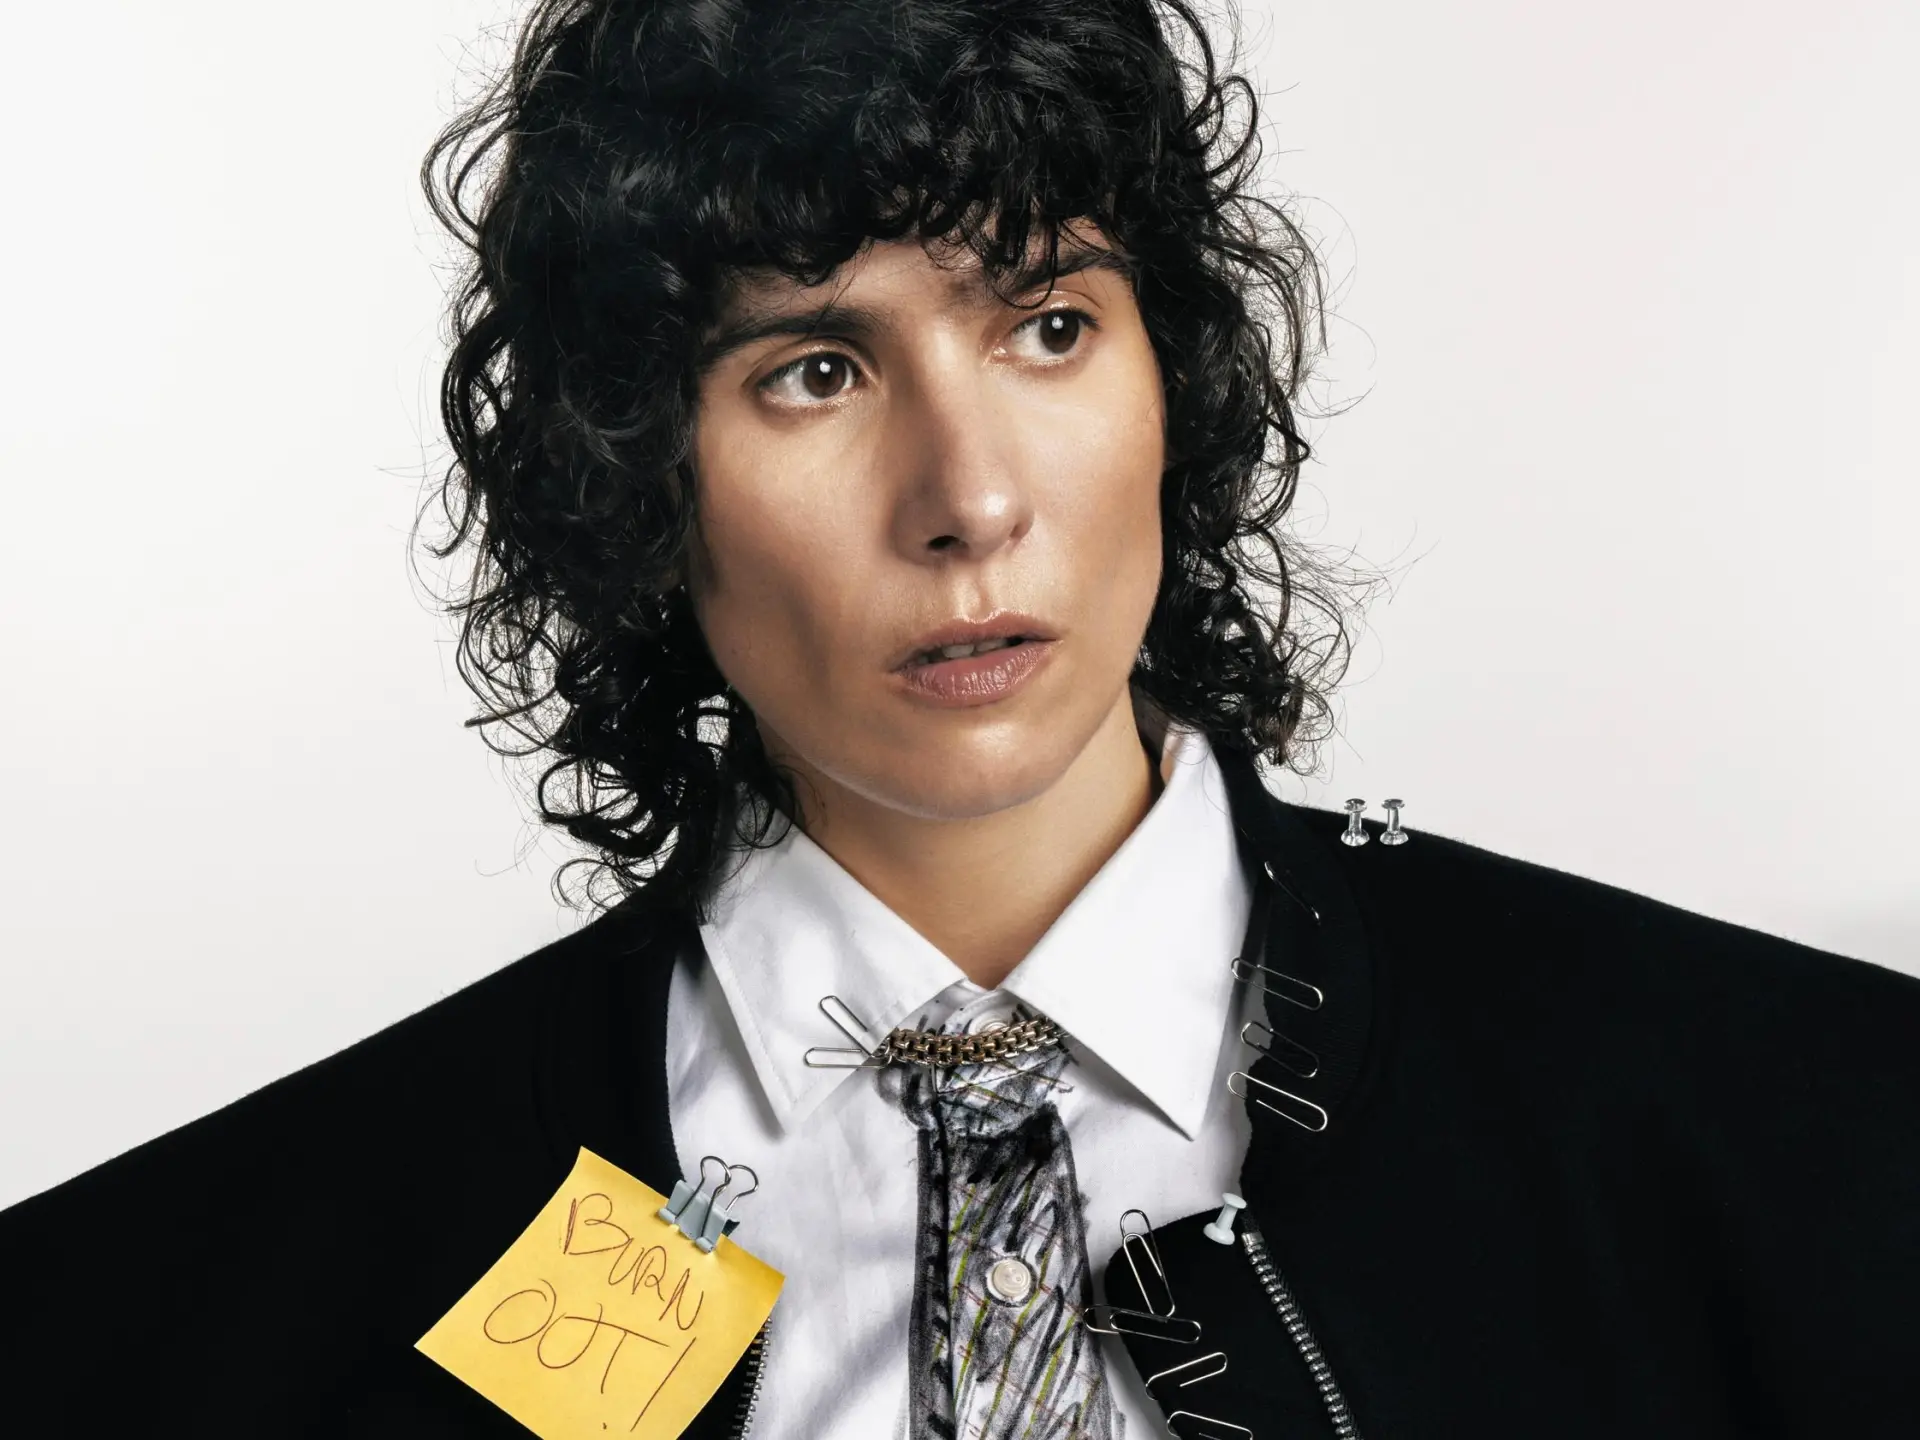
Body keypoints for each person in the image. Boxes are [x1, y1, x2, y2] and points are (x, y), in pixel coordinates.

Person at [2, 0, 1916, 1435]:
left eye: (1048, 326)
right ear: (637, 473)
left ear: (1174, 384)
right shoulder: (167, 1307)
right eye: (814, 370)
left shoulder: (1820, 1133)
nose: (970, 498)